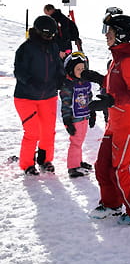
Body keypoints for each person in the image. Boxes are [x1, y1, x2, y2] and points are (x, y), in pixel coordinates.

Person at [89, 14, 130, 226]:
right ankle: (111, 205)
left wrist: (110, 100)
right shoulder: (118, 58)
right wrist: (96, 78)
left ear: (121, 35)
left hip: (128, 123)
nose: (106, 36)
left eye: (110, 32)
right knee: (102, 165)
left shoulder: (129, 61)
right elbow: (113, 82)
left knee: (118, 169)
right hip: (115, 120)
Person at [13, 15, 64, 174]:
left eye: (51, 35)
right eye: (46, 35)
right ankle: (27, 164)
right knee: (33, 131)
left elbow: (58, 65)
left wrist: (60, 78)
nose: (49, 38)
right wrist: (30, 82)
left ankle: (45, 159)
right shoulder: (26, 48)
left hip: (48, 96)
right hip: (26, 97)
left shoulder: (53, 46)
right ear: (38, 31)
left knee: (48, 131)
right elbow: (19, 70)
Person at [60, 51, 100, 178]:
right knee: (76, 141)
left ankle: (78, 161)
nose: (81, 71)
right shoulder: (68, 85)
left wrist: (92, 112)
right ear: (71, 70)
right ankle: (73, 167)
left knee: (80, 140)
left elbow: (89, 98)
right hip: (74, 118)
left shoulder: (85, 82)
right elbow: (65, 104)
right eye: (78, 69)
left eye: (83, 68)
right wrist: (67, 120)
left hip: (84, 116)